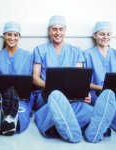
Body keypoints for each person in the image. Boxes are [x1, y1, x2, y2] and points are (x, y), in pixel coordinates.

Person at [32, 15, 116, 143]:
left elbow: (80, 78)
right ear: (49, 31)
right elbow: (35, 78)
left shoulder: (76, 51)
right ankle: (82, 127)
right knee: (55, 103)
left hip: (72, 96)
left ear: (65, 30)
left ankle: (84, 131)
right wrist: (51, 88)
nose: (58, 33)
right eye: (54, 29)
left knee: (83, 107)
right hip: (48, 95)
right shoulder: (40, 50)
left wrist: (84, 93)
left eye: (61, 29)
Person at [0, 21, 33, 137]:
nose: (12, 38)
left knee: (21, 111)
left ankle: (10, 122)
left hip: (22, 98)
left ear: (19, 37)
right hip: (0, 97)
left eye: (15, 35)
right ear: (4, 35)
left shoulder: (28, 56)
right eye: (9, 34)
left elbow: (30, 81)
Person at [83, 21, 116, 131]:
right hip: (96, 93)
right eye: (102, 34)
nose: (105, 37)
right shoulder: (87, 54)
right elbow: (83, 81)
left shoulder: (115, 53)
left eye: (108, 34)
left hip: (114, 92)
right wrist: (100, 88)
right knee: (107, 109)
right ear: (94, 35)